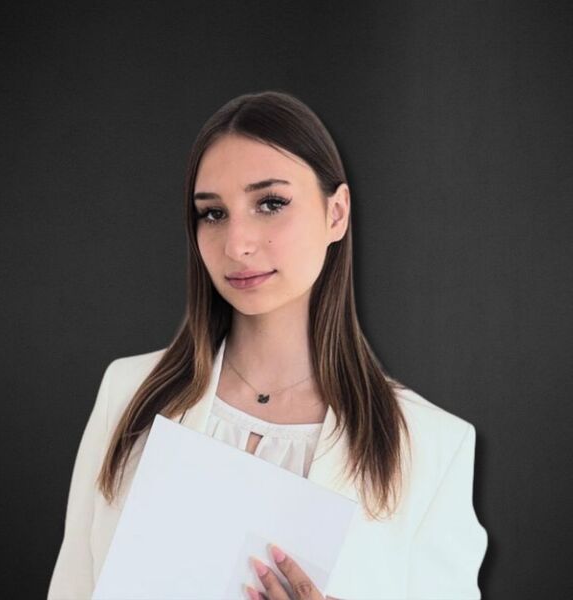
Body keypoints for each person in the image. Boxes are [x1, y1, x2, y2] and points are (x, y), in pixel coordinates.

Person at [47, 90, 488, 599]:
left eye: (270, 203)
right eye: (213, 213)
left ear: (336, 214)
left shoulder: (429, 447)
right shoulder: (127, 392)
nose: (237, 244)